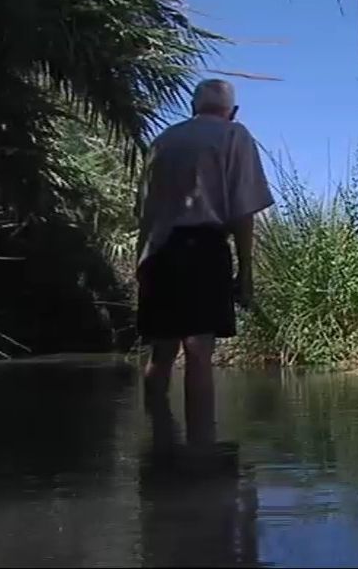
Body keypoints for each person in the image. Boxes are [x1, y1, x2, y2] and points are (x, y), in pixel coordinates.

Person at [135, 78, 273, 448]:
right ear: (234, 111)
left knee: (161, 353)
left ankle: (159, 445)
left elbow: (143, 212)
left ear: (192, 108)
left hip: (157, 252)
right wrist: (246, 271)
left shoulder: (162, 142)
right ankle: (201, 454)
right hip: (202, 248)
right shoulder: (234, 135)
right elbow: (244, 211)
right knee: (198, 353)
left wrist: (141, 266)